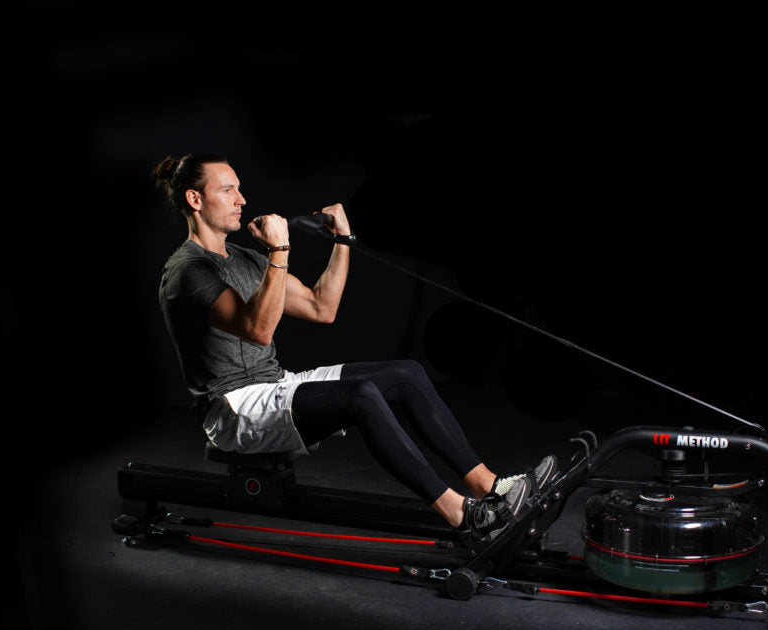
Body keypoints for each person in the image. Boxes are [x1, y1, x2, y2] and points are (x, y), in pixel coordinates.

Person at [152, 153, 556, 549]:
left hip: (273, 385)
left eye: (240, 188)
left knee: (407, 374)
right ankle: (464, 515)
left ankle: (491, 487)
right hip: (233, 409)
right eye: (228, 190)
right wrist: (279, 253)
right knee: (359, 396)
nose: (242, 199)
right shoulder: (188, 270)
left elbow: (320, 307)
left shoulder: (242, 258)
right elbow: (257, 329)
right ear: (195, 199)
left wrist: (342, 241)